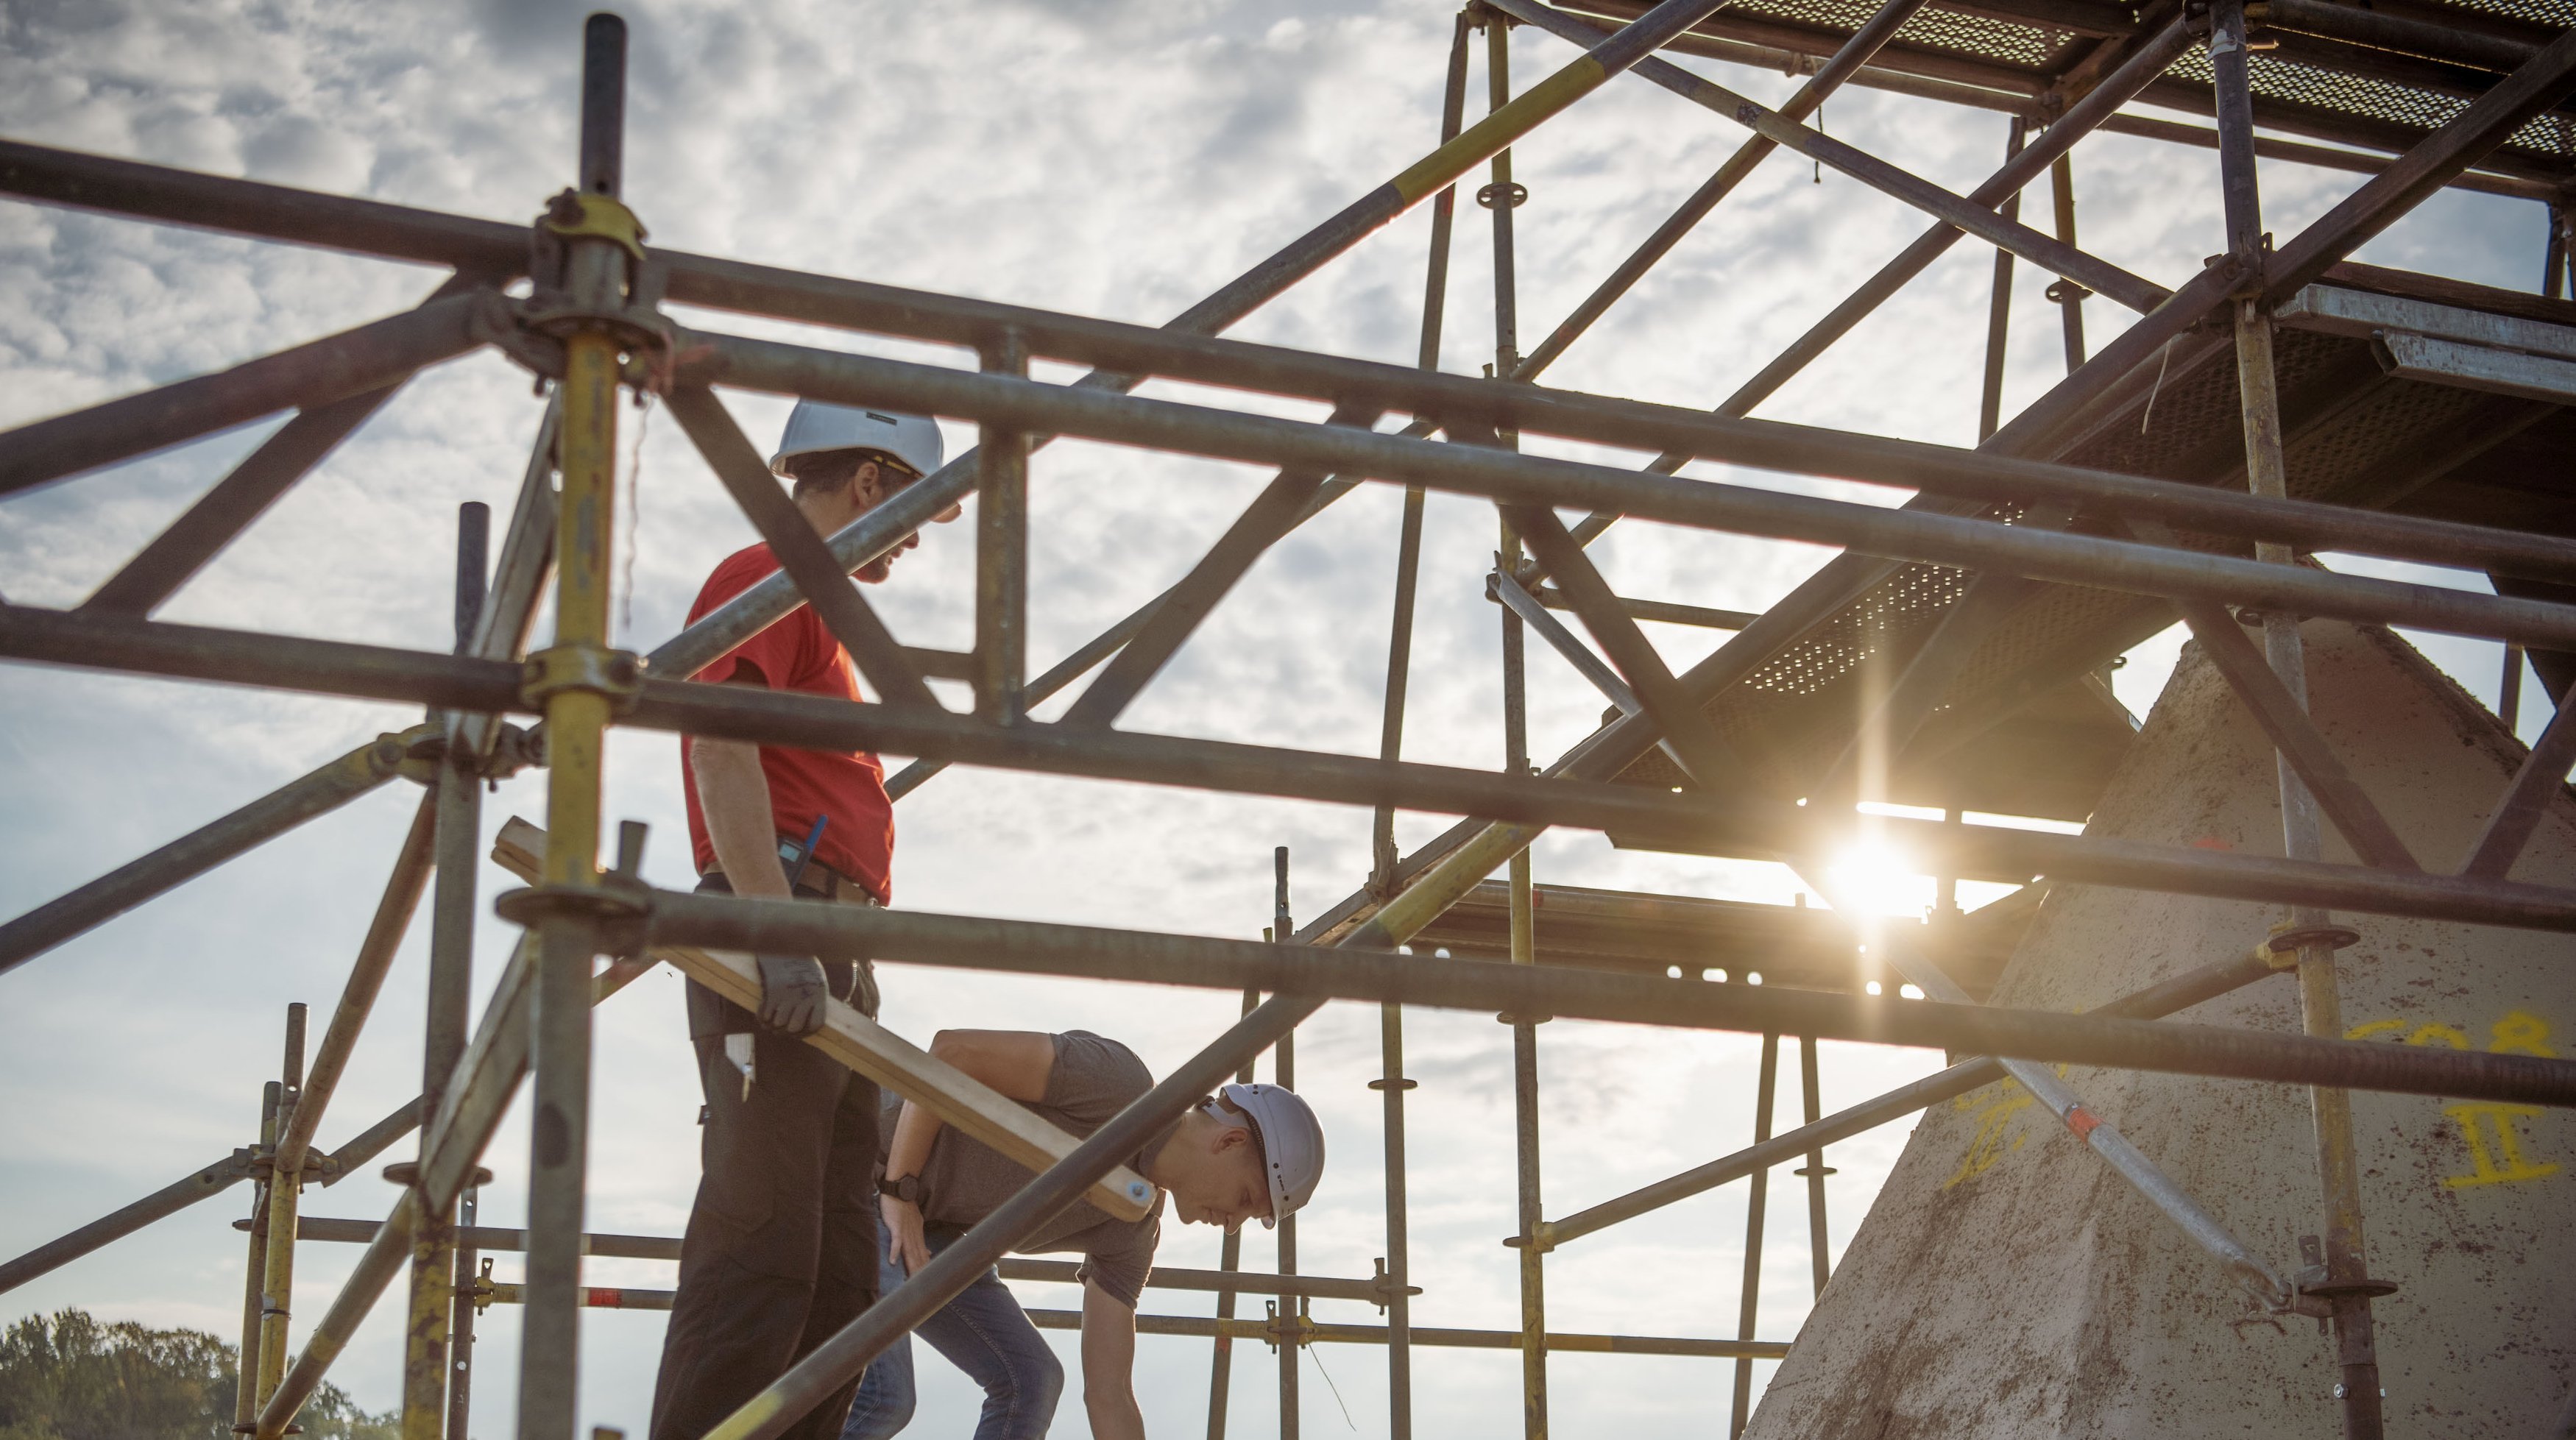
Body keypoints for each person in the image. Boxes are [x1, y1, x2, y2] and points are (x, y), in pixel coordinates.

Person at [649, 400, 960, 1440]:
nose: (913, 538)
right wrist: (775, 933)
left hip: (829, 944)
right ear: (870, 482)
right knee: (762, 1248)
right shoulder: (770, 575)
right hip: (779, 924)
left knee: (836, 1282)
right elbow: (719, 741)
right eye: (913, 506)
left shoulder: (811, 608)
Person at [840, 1029, 1326, 1440]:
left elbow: (1109, 1390)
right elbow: (953, 1051)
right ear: (1230, 1140)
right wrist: (899, 1189)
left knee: (1031, 1378)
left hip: (925, 1222)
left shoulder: (1132, 1226)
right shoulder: (1118, 1086)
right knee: (885, 1397)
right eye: (1244, 1199)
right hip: (855, 1163)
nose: (1231, 1224)